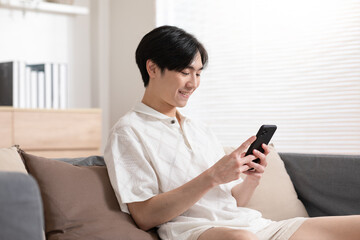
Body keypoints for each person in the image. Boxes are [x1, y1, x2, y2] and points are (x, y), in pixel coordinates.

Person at [104, 25, 360, 240]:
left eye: (198, 73)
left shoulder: (199, 129)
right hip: (198, 231)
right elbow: (144, 216)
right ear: (152, 68)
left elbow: (232, 202)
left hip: (253, 226)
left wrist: (251, 178)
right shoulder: (129, 132)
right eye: (184, 72)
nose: (193, 83)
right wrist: (213, 176)